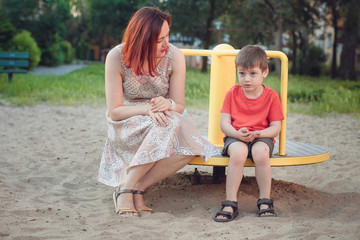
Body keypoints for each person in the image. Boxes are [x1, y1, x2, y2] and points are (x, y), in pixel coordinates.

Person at [98, 6, 207, 217]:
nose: (167, 44)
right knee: (168, 123)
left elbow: (179, 105)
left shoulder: (175, 56)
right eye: (159, 40)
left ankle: (134, 187)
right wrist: (147, 109)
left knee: (195, 145)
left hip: (162, 117)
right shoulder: (116, 56)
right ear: (141, 40)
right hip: (127, 121)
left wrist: (169, 105)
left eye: (168, 36)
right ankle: (126, 191)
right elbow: (114, 112)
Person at [213, 45, 284, 222]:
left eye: (253, 73)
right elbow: (224, 124)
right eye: (242, 73)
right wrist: (237, 134)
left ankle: (265, 200)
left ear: (264, 72)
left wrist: (259, 134)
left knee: (260, 153)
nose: (247, 79)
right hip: (236, 136)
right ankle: (230, 202)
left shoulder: (272, 96)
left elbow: (276, 127)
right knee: (239, 153)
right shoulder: (232, 93)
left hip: (261, 136)